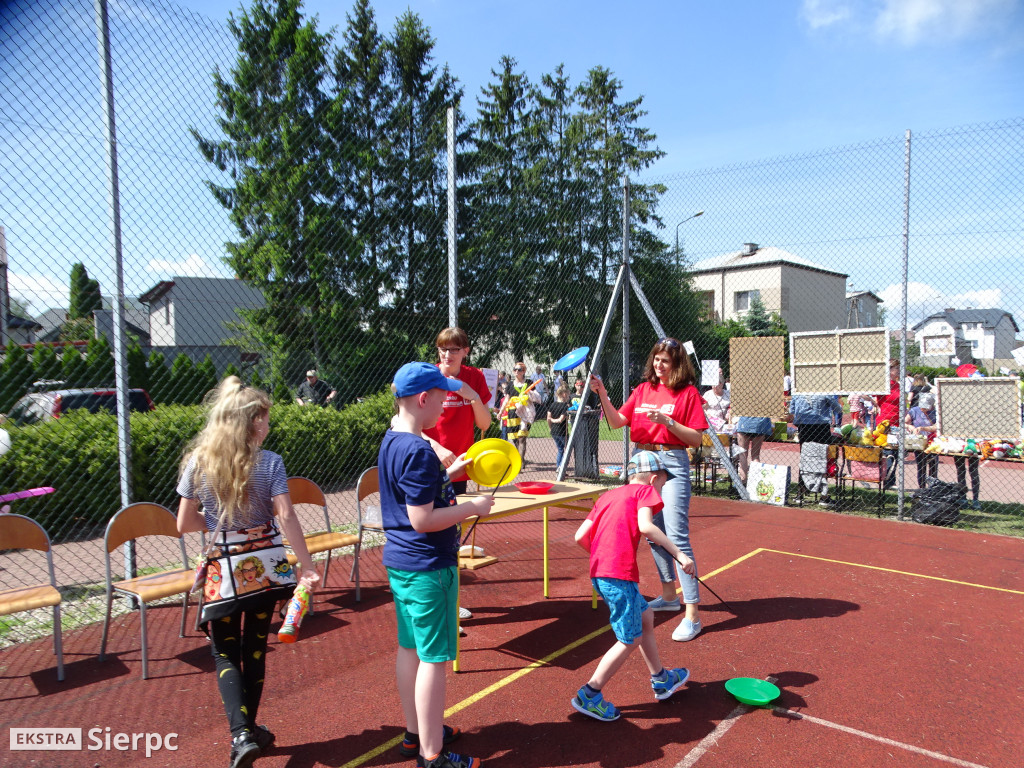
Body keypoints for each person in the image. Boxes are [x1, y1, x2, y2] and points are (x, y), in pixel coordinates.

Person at [176, 377, 319, 768]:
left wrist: (225, 527)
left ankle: (241, 735)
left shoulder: (199, 462)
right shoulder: (270, 462)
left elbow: (184, 523)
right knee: (255, 648)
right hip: (266, 569)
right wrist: (306, 566)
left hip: (222, 570)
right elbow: (285, 514)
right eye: (266, 419)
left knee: (224, 654)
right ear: (252, 422)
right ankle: (249, 731)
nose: (269, 426)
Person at [379, 362, 496, 768]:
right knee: (434, 659)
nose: (448, 404)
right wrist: (471, 506)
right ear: (422, 399)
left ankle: (417, 733)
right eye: (442, 397)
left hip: (402, 566)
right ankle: (432, 756)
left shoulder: (394, 438)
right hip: (428, 567)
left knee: (409, 649)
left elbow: (417, 493)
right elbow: (423, 519)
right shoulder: (417, 449)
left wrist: (450, 471)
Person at [591, 337, 708, 642]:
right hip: (642, 461)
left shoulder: (688, 393)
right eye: (656, 359)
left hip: (671, 460)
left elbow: (696, 439)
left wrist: (668, 421)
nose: (659, 365)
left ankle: (692, 614)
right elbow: (617, 422)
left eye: (665, 360)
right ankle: (670, 596)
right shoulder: (643, 390)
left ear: (677, 364)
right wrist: (602, 392)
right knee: (650, 530)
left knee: (675, 533)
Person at [570, 451, 694, 722]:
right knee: (629, 639)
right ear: (653, 478)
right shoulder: (645, 493)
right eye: (662, 483)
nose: (661, 490)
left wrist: (602, 559)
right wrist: (680, 555)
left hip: (602, 573)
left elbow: (580, 536)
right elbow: (646, 527)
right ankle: (589, 694)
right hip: (618, 575)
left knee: (646, 617)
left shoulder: (607, 496)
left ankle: (661, 678)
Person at [422, 327, 492, 496]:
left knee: (457, 517)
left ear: (465, 351)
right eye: (443, 349)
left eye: (454, 350)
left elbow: (484, 424)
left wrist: (472, 395)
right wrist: (436, 448)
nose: (447, 355)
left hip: (459, 462)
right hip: (430, 460)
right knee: (430, 515)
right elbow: (406, 423)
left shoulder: (475, 376)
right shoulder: (427, 376)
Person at [502, 363, 542, 463]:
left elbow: (536, 396)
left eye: (519, 369)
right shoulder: (510, 385)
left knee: (522, 438)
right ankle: (519, 457)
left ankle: (520, 460)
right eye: (515, 369)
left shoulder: (529, 383)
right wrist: (501, 412)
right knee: (515, 439)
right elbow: (507, 399)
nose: (516, 371)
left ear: (524, 371)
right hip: (512, 413)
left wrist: (530, 393)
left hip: (525, 413)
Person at [570, 376, 601, 479]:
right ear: (575, 385)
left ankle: (591, 470)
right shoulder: (572, 396)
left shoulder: (588, 395)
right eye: (578, 385)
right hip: (576, 422)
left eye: (582, 386)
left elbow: (592, 406)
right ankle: (579, 470)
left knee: (590, 445)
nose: (580, 387)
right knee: (577, 444)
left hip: (587, 422)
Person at [905, 392, 938, 488]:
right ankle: (922, 488)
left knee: (933, 466)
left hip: (932, 442)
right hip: (919, 442)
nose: (923, 409)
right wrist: (911, 427)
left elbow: (936, 427)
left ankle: (932, 489)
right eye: (922, 407)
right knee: (921, 466)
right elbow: (905, 422)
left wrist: (923, 428)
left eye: (926, 407)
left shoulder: (936, 412)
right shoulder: (915, 410)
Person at [734, 416, 773, 485]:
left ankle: (743, 480)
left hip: (745, 422)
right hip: (760, 423)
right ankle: (755, 481)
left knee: (743, 454)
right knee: (755, 455)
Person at [547, 385, 571, 470]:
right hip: (562, 431)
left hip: (554, 431)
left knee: (560, 449)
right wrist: (553, 420)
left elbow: (548, 418)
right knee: (567, 449)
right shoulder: (565, 406)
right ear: (563, 394)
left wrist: (551, 427)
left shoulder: (552, 405)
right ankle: (561, 466)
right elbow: (561, 419)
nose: (568, 395)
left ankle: (559, 466)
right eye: (567, 393)